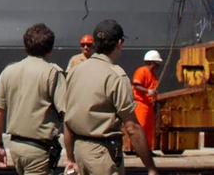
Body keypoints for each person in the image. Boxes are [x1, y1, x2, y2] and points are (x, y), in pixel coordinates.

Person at [61, 19, 159, 175]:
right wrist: (151, 167)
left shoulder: (75, 72)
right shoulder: (116, 76)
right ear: (120, 43)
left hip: (80, 151)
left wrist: (71, 159)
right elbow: (132, 128)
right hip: (103, 155)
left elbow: (68, 119)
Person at [0, 23, 65, 174]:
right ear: (51, 49)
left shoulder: (9, 71)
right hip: (39, 149)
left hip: (16, 147)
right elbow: (67, 114)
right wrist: (73, 157)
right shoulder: (53, 73)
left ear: (25, 46)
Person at [131, 50, 164, 154]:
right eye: (157, 63)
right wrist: (148, 91)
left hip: (149, 104)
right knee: (142, 126)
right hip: (141, 104)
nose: (158, 66)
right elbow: (136, 85)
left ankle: (147, 149)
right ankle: (139, 149)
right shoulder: (142, 71)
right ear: (151, 62)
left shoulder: (152, 74)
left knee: (149, 129)